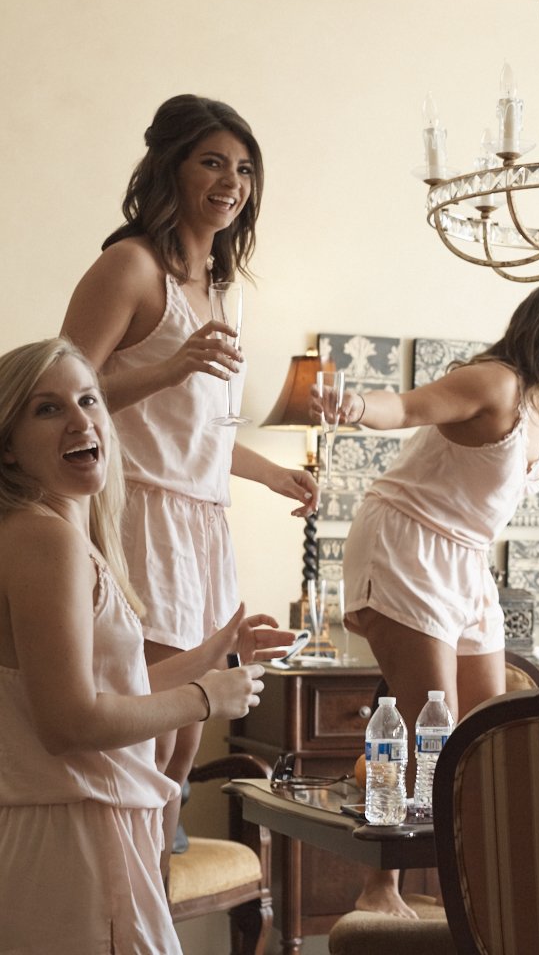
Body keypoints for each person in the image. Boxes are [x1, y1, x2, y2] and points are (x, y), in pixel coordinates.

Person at [314, 279, 539, 917]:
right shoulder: (495, 382)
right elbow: (404, 407)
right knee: (433, 730)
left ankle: (481, 891)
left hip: (466, 559)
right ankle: (381, 885)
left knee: (485, 734)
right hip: (407, 541)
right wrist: (351, 407)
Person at [59, 94, 318, 875]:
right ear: (170, 166)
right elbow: (61, 393)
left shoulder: (221, 289)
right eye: (212, 160)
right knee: (157, 712)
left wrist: (275, 475)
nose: (230, 181)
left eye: (243, 168)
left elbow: (200, 433)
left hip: (205, 522)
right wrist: (170, 365)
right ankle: (122, 870)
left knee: (192, 725)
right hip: (136, 510)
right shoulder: (131, 266)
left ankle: (153, 863)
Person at [0, 338, 290, 954]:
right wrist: (203, 700)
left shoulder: (56, 536)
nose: (81, 419)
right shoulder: (42, 539)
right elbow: (68, 722)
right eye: (47, 409)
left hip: (79, 827)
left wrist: (219, 650)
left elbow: (102, 691)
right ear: (7, 446)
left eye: (89, 399)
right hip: (72, 838)